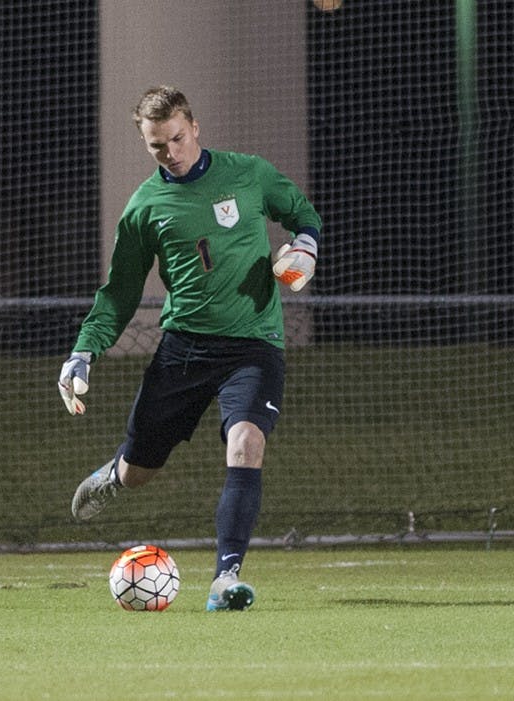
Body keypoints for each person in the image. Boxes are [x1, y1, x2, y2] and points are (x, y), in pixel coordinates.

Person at [58, 86, 322, 611]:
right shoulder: (144, 208)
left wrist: (305, 248)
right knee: (139, 473)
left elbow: (302, 214)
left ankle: (226, 580)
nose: (171, 152)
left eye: (177, 138)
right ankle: (114, 475)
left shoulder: (248, 173)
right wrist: (83, 352)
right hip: (184, 350)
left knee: (246, 442)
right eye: (157, 146)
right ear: (146, 143)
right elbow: (119, 294)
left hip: (253, 345)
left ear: (194, 127)